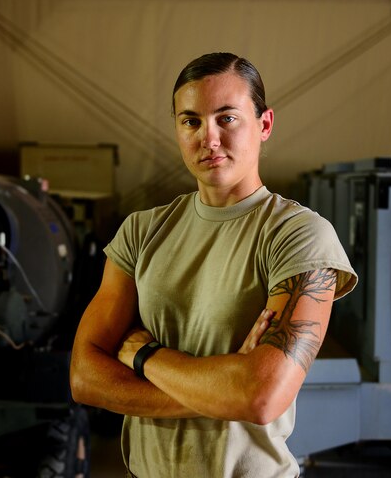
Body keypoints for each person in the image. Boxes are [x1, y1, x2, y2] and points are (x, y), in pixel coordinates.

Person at [69, 52, 357, 477]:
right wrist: (222, 386)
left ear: (264, 124)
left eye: (227, 118)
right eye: (191, 121)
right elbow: (85, 379)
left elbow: (260, 398)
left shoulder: (299, 236)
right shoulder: (141, 232)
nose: (210, 138)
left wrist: (143, 353)